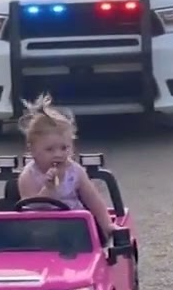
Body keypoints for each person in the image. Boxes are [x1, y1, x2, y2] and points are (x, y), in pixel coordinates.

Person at [15, 93, 117, 240]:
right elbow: (30, 208)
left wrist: (107, 225)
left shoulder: (75, 171)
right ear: (32, 150)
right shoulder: (28, 175)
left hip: (74, 227)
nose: (58, 154)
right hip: (40, 231)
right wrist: (49, 189)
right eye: (49, 149)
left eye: (64, 148)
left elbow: (94, 201)